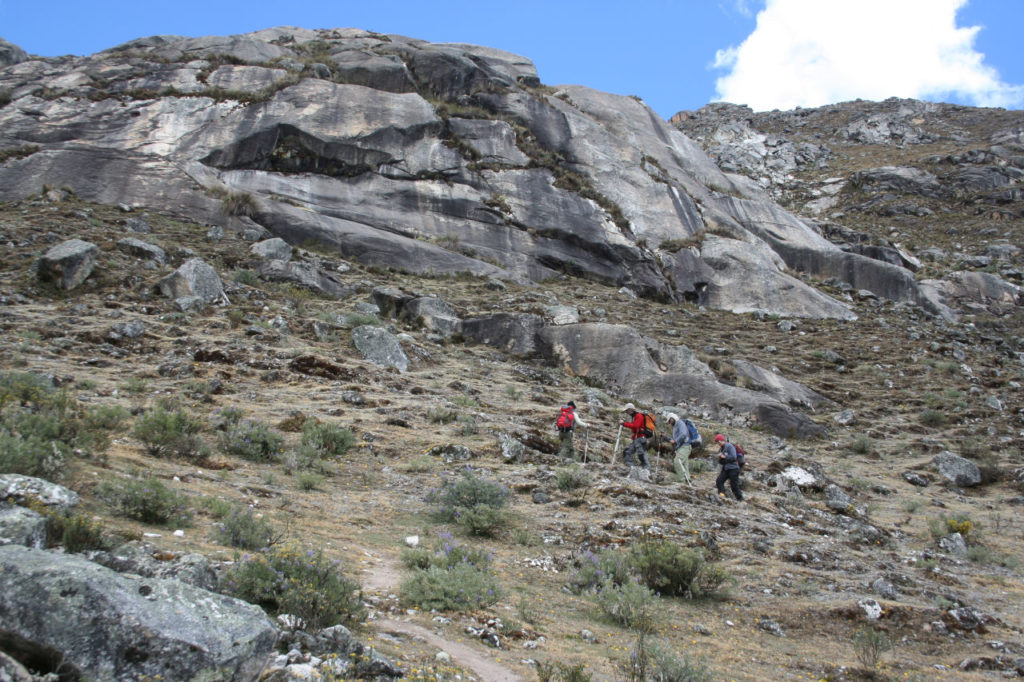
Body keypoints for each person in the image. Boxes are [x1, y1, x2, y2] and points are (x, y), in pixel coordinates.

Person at [667, 414, 695, 485]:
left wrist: (675, 441)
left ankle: (681, 481)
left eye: (670, 421)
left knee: (677, 462)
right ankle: (687, 480)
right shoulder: (676, 425)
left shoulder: (680, 423)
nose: (670, 423)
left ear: (672, 419)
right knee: (684, 464)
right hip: (682, 447)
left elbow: (683, 434)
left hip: (685, 446)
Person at [620, 403, 650, 469]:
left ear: (630, 409)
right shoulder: (634, 416)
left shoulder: (638, 416)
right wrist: (625, 423)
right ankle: (632, 467)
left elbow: (636, 426)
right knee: (627, 452)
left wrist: (624, 423)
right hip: (637, 438)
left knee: (641, 454)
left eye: (627, 411)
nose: (626, 412)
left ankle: (647, 469)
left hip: (640, 438)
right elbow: (634, 426)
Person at [713, 433, 743, 501]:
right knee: (719, 481)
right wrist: (720, 458)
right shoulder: (721, 449)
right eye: (717, 442)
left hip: (734, 469)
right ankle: (722, 495)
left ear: (721, 440)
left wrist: (724, 457)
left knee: (734, 485)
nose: (718, 444)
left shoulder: (730, 446)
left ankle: (740, 499)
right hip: (726, 469)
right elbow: (722, 462)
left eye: (718, 442)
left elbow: (733, 457)